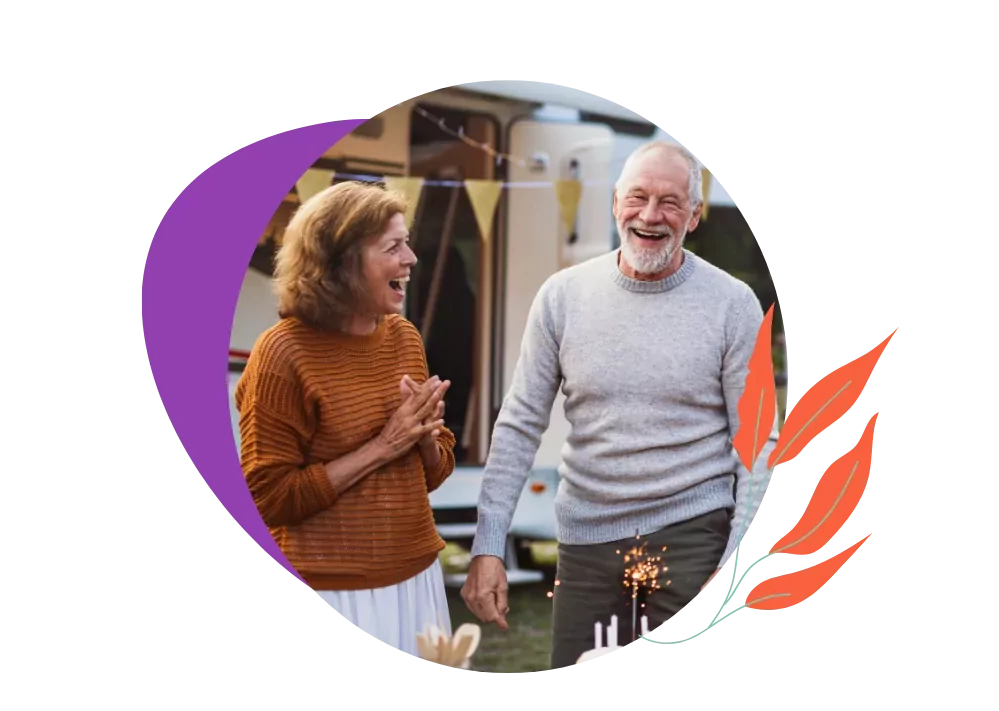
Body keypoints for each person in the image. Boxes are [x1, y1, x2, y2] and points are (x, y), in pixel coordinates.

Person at [460, 141, 779, 670]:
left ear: (695, 216)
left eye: (671, 202)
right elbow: (519, 425)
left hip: (692, 535)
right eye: (637, 197)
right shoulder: (561, 296)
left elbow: (758, 441)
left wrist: (737, 560)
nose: (650, 216)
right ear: (614, 203)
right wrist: (488, 545)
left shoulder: (732, 304)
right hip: (585, 542)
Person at [235, 180, 457, 660]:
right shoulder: (282, 353)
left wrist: (422, 438)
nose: (412, 257)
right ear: (340, 264)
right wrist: (384, 444)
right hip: (333, 589)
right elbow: (268, 498)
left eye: (407, 242)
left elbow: (435, 474)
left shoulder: (403, 337)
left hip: (416, 579)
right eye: (393, 246)